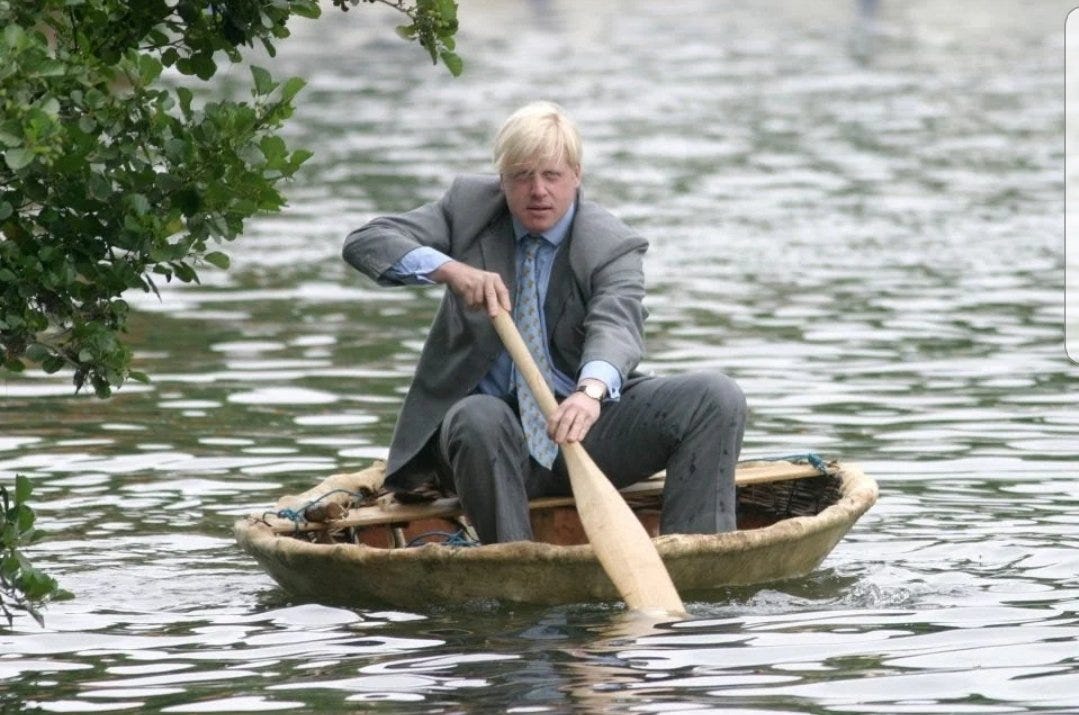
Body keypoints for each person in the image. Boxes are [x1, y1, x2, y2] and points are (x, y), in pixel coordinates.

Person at [342, 101, 747, 544]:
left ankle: (697, 556)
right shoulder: (467, 208)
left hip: (583, 429)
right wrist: (451, 271)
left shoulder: (612, 243)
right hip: (483, 445)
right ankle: (515, 564)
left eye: (552, 175)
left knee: (716, 395)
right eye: (522, 176)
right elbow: (367, 241)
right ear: (502, 180)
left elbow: (617, 325)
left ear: (576, 175)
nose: (538, 191)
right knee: (479, 416)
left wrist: (589, 394)